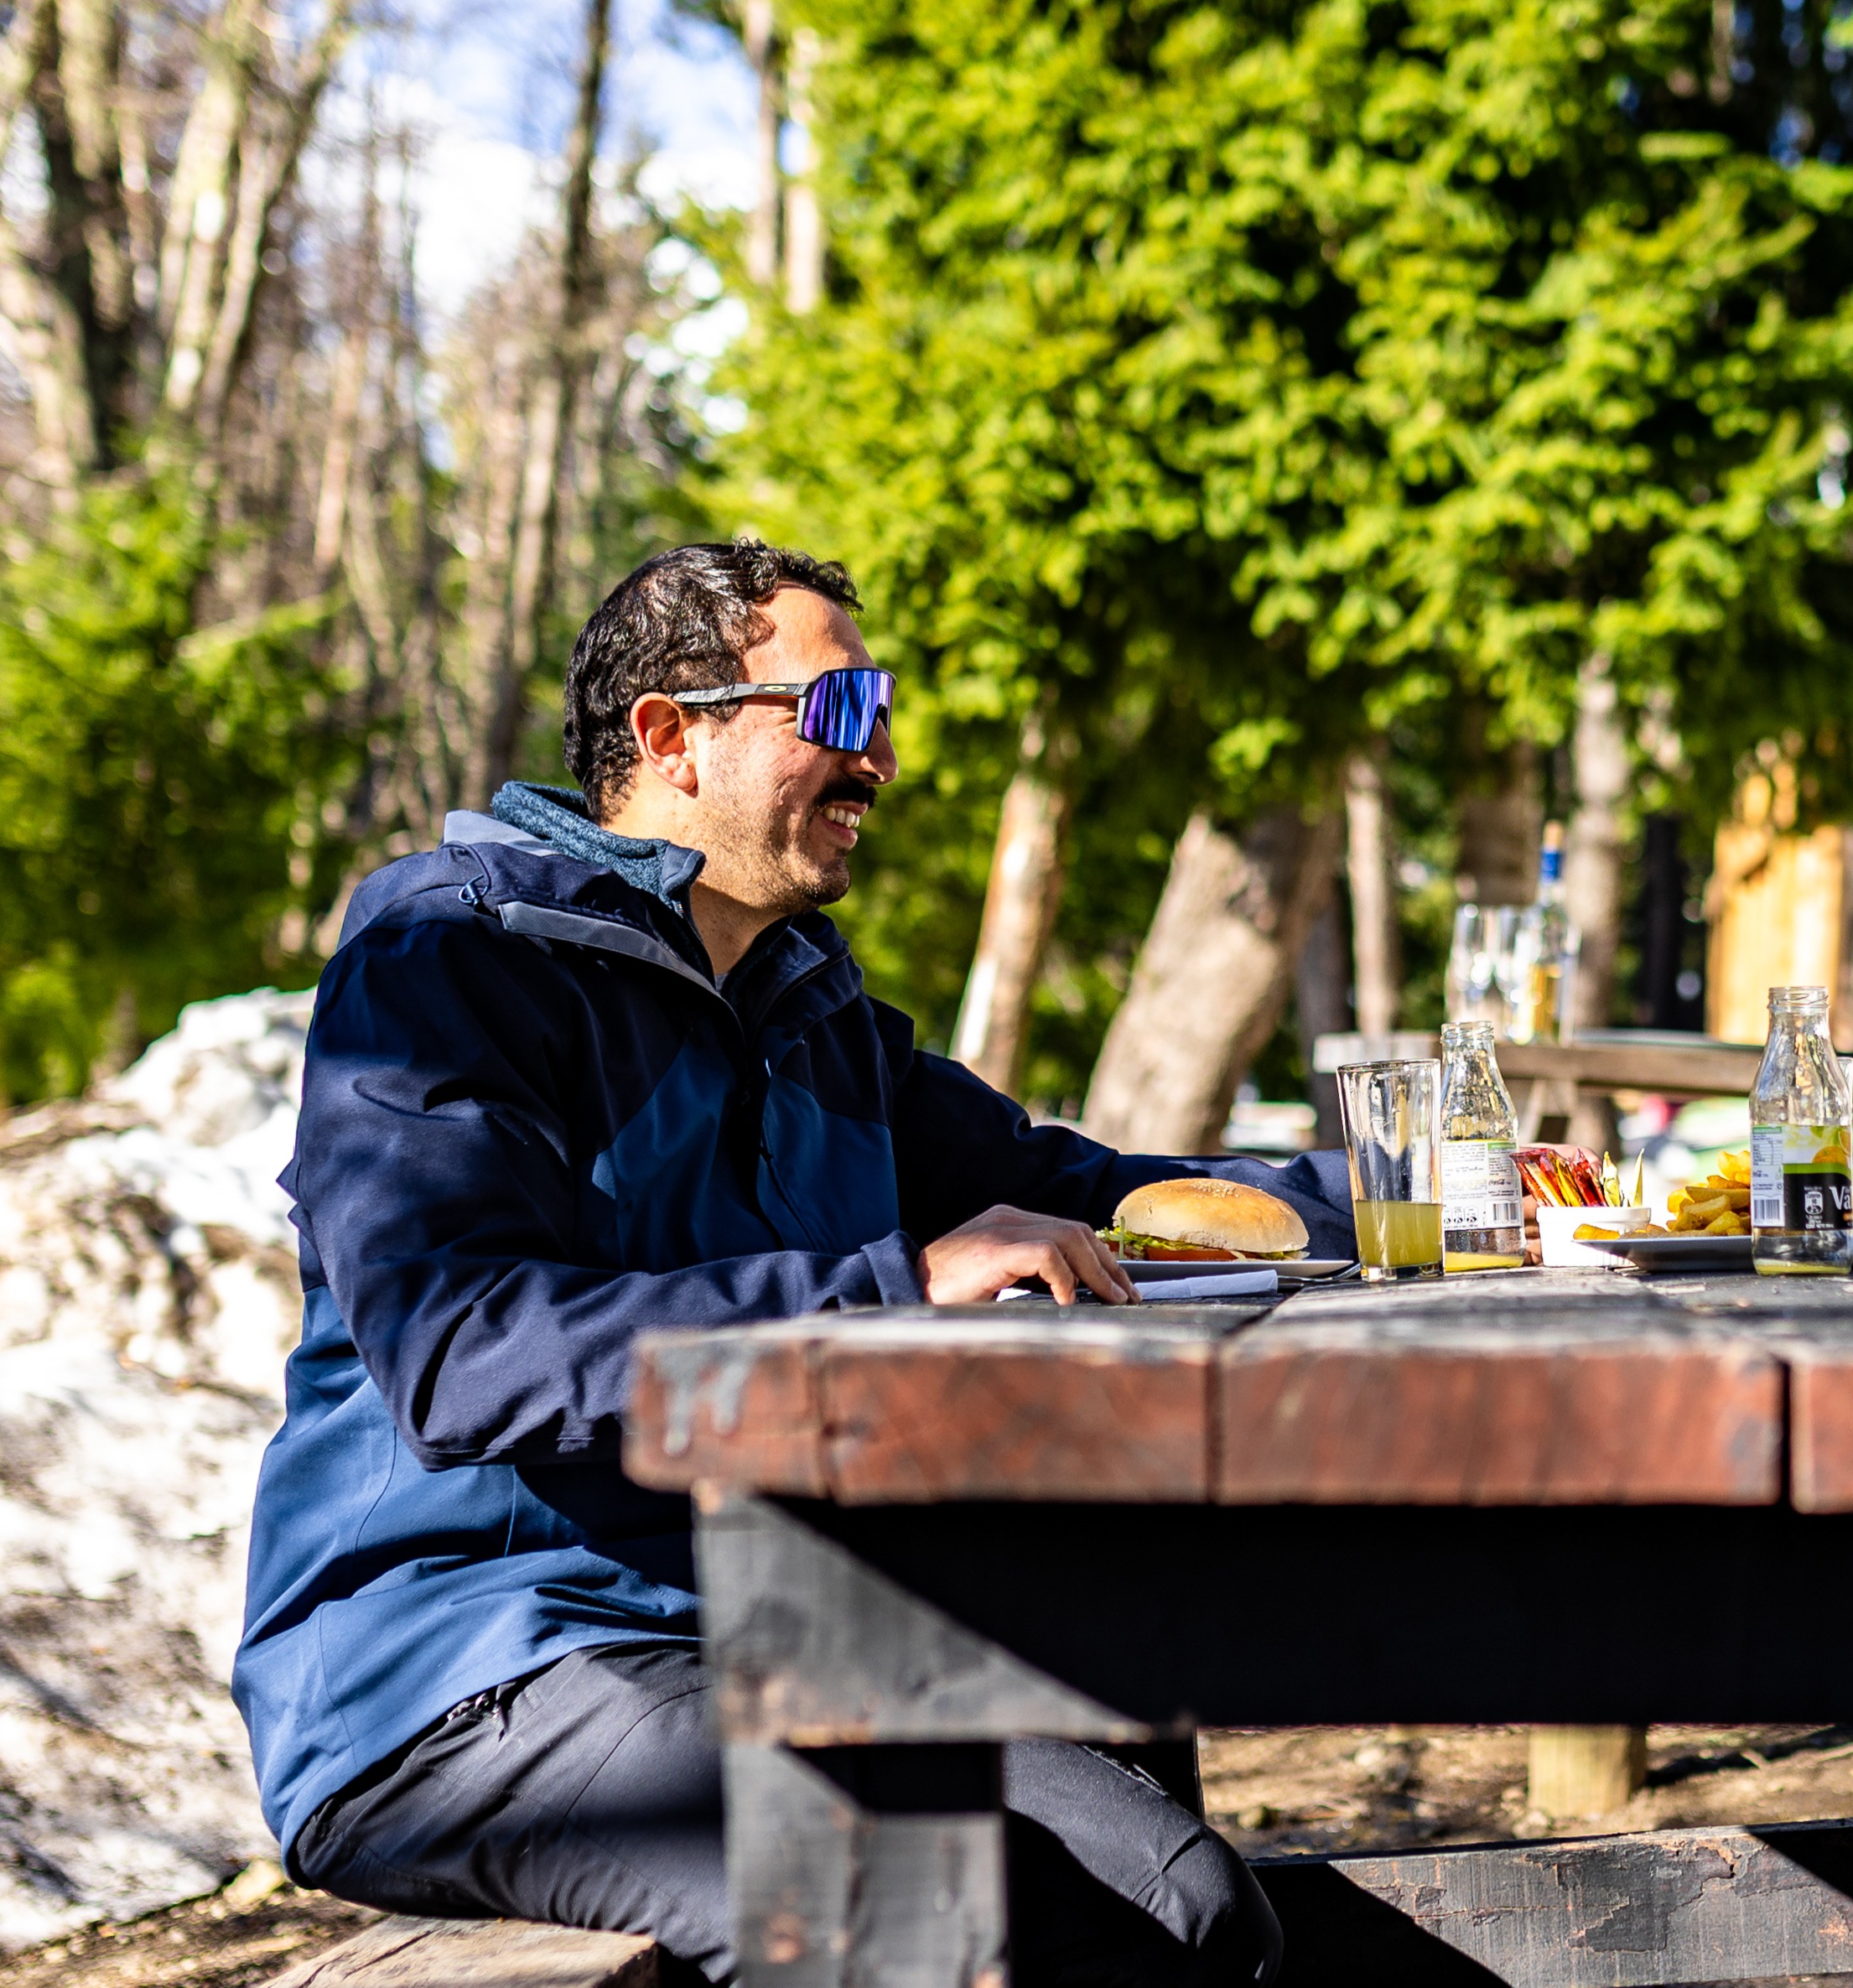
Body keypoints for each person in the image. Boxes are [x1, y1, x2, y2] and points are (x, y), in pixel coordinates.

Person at [236, 540, 1337, 1987]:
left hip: (761, 1635)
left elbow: (1087, 1196)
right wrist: (892, 1285)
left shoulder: (810, 1010)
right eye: (840, 709)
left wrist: (1410, 1196)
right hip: (463, 1664)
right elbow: (462, 1350)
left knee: (1186, 1902)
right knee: (943, 1915)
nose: (879, 756)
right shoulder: (454, 964)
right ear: (669, 737)